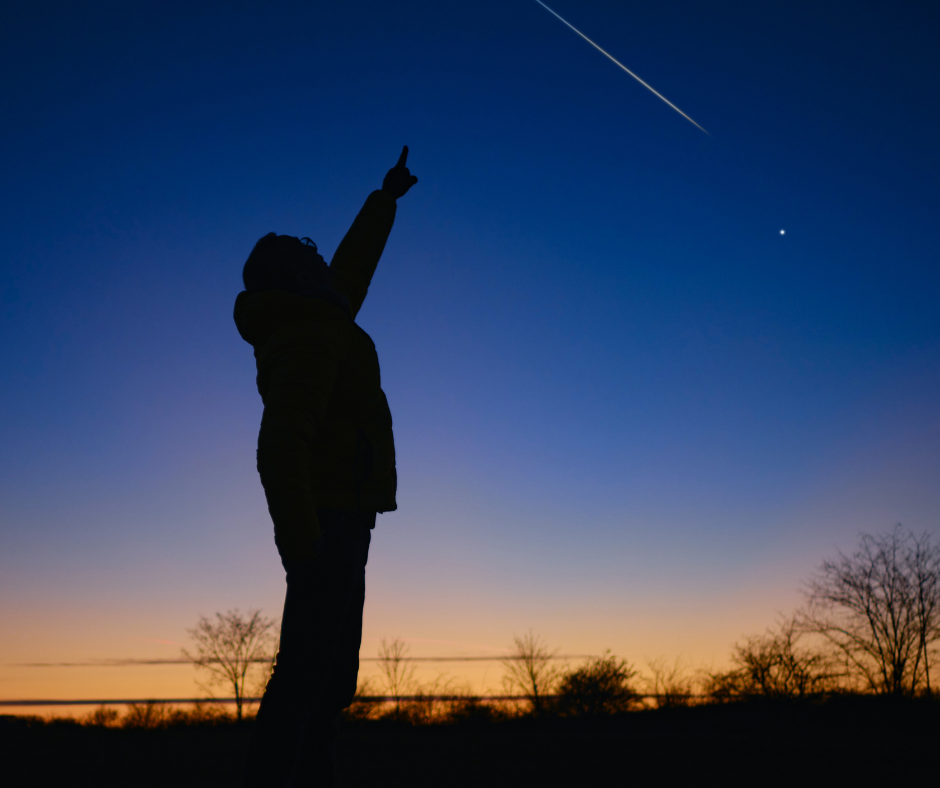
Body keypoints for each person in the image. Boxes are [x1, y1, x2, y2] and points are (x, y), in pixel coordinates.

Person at [233, 147, 418, 787]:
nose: (317, 251)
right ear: (290, 278)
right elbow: (278, 444)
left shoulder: (323, 314)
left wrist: (384, 198)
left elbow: (352, 264)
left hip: (345, 517)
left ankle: (312, 776)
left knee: (329, 675)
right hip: (328, 522)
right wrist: (303, 543)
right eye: (302, 248)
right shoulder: (309, 333)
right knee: (309, 674)